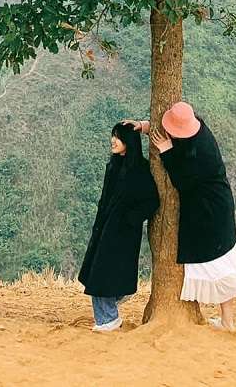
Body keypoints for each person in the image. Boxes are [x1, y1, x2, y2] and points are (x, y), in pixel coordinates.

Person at [128, 103, 236, 333]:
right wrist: (145, 127)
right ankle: (227, 322)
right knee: (224, 261)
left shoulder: (201, 151)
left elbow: (183, 182)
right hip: (214, 206)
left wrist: (166, 152)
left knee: (213, 264)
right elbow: (170, 133)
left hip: (210, 212)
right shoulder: (196, 130)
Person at [78, 121, 160, 332]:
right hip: (105, 229)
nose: (113, 141)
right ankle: (108, 317)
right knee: (98, 275)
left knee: (103, 276)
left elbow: (152, 201)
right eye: (113, 136)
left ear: (129, 142)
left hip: (122, 233)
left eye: (118, 137)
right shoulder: (114, 165)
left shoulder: (140, 169)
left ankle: (108, 320)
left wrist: (130, 219)